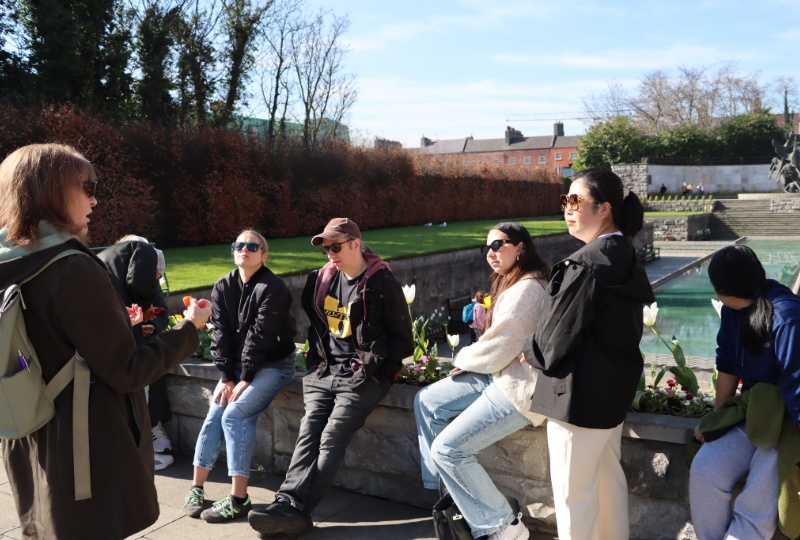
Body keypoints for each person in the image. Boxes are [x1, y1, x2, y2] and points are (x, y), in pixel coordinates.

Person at [0, 143, 211, 539]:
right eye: (88, 187)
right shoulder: (73, 267)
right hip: (86, 452)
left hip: (30, 435)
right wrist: (189, 329)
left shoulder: (12, 262)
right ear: (52, 190)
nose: (94, 199)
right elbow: (128, 371)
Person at [247, 217, 414, 538]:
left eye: (336, 247)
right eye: (326, 249)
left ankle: (295, 511)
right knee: (309, 432)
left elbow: (403, 341)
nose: (330, 254)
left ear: (355, 244)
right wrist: (315, 366)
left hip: (364, 378)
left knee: (331, 438)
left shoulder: (381, 283)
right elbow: (316, 328)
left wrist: (375, 371)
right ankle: (286, 503)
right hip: (324, 372)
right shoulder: (321, 279)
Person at [524, 167, 655, 540]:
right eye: (565, 200)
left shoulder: (586, 265)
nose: (567, 208)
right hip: (610, 395)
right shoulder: (622, 254)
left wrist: (529, 351)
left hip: (577, 399)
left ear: (604, 208)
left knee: (574, 499)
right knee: (607, 486)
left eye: (575, 200)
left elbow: (552, 342)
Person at [415, 223, 550, 540]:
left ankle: (505, 526)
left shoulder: (527, 290)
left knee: (447, 450)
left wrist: (461, 360)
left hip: (521, 388)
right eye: (487, 247)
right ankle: (450, 496)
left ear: (521, 248)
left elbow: (497, 350)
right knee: (427, 402)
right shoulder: (514, 281)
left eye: (498, 245)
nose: (491, 252)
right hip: (500, 374)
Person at [181, 229, 297, 523]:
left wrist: (244, 377)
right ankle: (196, 488)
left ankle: (238, 499)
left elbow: (261, 336)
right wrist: (227, 376)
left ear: (263, 255)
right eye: (239, 245)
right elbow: (220, 334)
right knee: (215, 413)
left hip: (273, 366)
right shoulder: (223, 285)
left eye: (252, 246)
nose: (244, 249)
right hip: (236, 368)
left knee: (234, 415)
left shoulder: (273, 288)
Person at [689, 245, 800, 540]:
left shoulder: (787, 317)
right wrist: (717, 419)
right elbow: (727, 364)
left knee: (758, 497)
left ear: (722, 289)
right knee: (705, 471)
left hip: (788, 423)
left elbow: (797, 386)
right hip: (751, 413)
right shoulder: (732, 311)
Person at [97, 234, 174, 470]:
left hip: (139, 342)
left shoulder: (139, 276)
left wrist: (151, 324)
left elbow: (160, 311)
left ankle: (152, 428)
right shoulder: (106, 274)